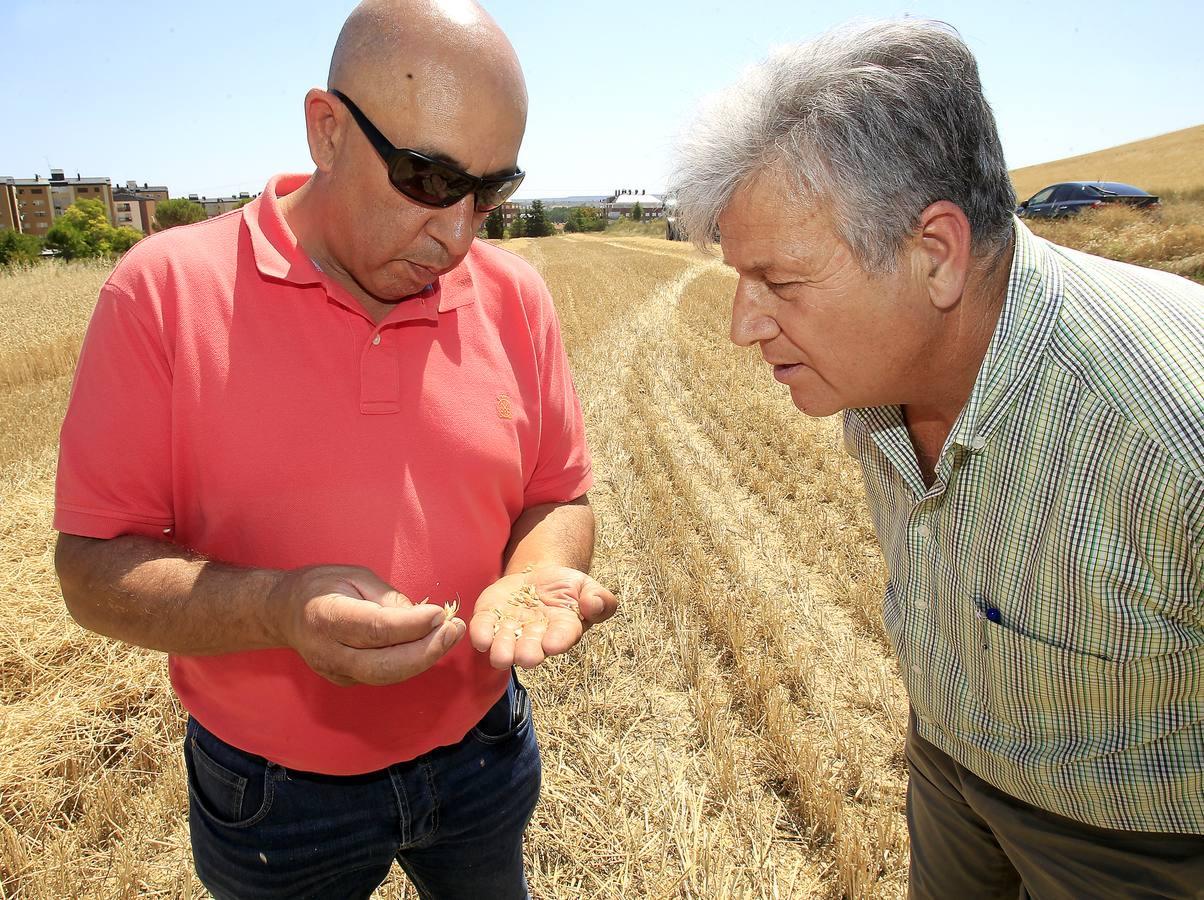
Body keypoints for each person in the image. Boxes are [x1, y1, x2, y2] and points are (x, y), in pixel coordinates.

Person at [52, 1, 616, 897]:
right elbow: (90, 571)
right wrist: (278, 609)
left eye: (491, 193)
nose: (459, 234)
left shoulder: (516, 298)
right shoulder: (162, 293)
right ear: (326, 129)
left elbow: (558, 494)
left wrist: (534, 567)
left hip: (483, 754)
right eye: (428, 181)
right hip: (275, 800)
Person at [670, 18, 1203, 899]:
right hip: (949, 767)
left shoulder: (1169, 435)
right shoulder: (878, 371)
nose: (743, 327)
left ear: (936, 255)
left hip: (1133, 839)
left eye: (783, 282)